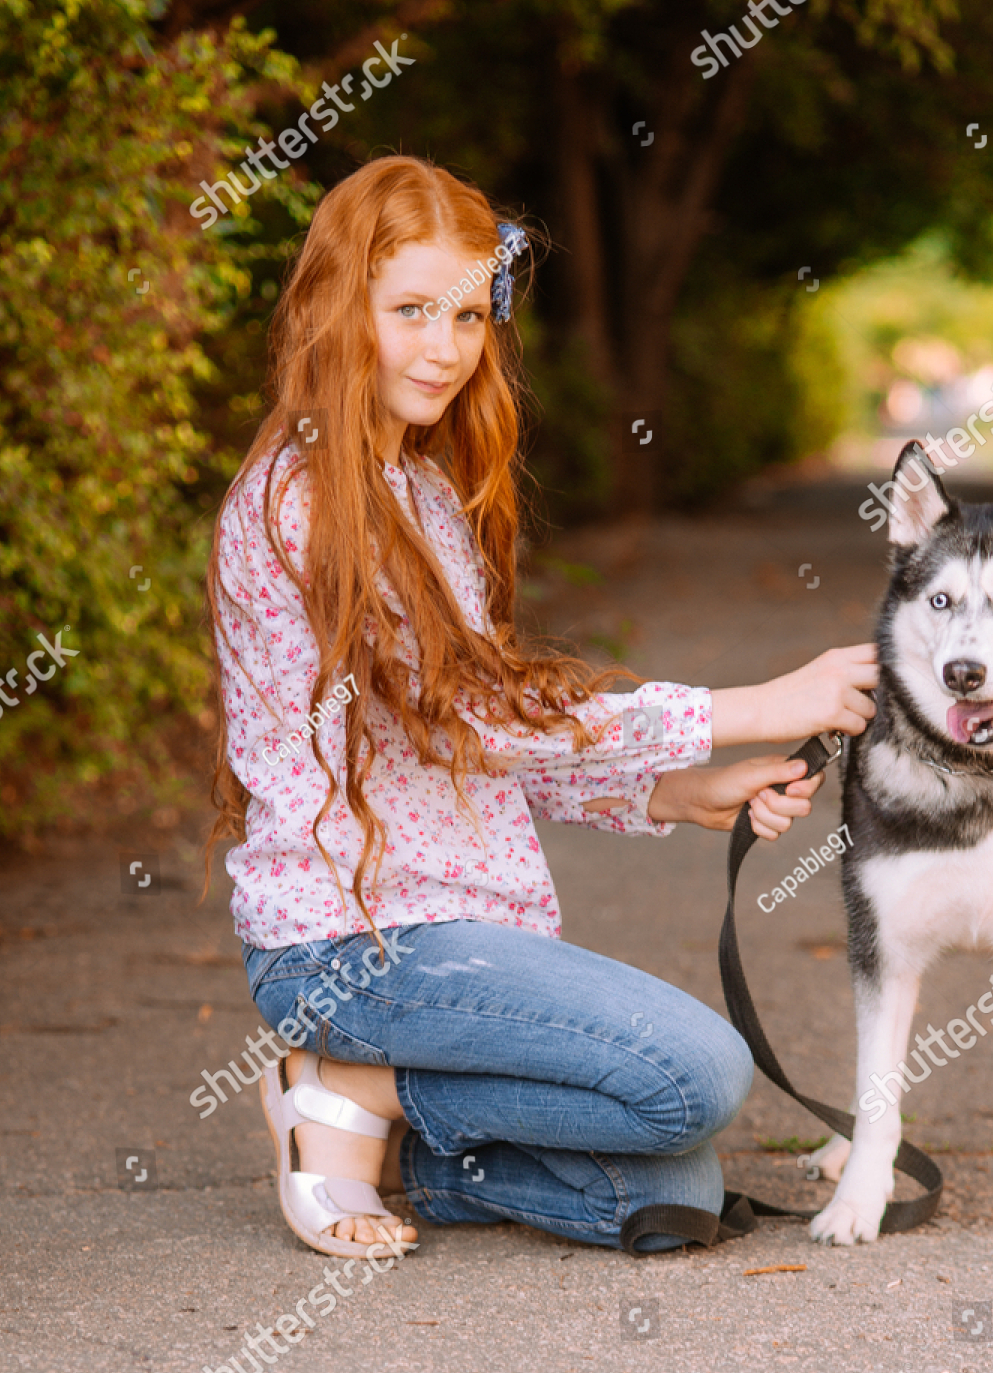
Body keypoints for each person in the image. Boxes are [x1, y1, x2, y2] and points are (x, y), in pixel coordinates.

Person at [205, 156, 877, 1261]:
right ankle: (344, 1074)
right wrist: (756, 703)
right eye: (410, 310)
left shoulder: (416, 488)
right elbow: (477, 718)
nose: (444, 346)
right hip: (351, 943)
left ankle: (377, 1133)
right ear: (340, 309)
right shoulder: (303, 499)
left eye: (468, 314)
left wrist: (669, 790)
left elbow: (471, 740)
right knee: (697, 1074)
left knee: (677, 1190)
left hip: (464, 929)